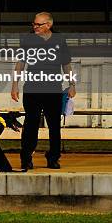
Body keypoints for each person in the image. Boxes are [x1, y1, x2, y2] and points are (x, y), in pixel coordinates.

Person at [10, 12, 76, 170]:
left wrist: (72, 84)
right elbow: (20, 62)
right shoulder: (28, 39)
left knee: (54, 126)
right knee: (30, 125)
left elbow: (66, 64)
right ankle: (26, 158)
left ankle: (53, 157)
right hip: (32, 89)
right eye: (34, 24)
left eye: (38, 25)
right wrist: (14, 84)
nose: (35, 27)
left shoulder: (60, 40)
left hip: (53, 90)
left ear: (48, 25)